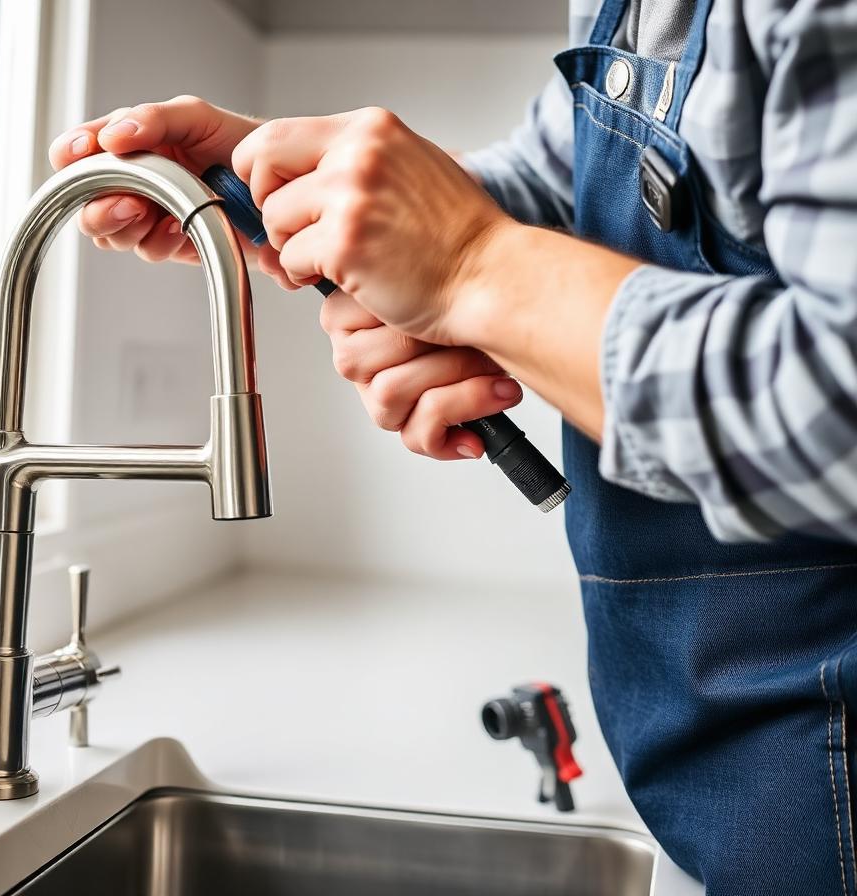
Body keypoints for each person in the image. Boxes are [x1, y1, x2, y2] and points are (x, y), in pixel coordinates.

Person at [49, 1, 857, 892]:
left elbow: (837, 394)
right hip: (726, 789)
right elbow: (559, 184)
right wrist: (313, 203)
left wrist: (472, 265)